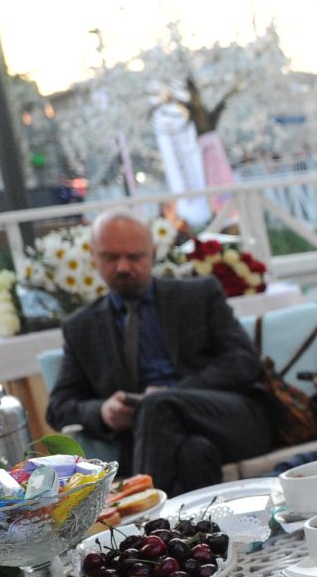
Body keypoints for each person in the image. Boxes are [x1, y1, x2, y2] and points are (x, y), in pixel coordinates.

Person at [45, 210, 272, 494]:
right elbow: (58, 407)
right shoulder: (82, 327)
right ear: (94, 256)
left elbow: (243, 362)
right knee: (194, 453)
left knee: (157, 404)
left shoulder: (199, 295)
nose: (123, 267)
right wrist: (102, 411)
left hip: (229, 419)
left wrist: (171, 393)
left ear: (152, 253)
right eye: (111, 258)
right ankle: (186, 536)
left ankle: (141, 518)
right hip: (157, 440)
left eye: (134, 257)